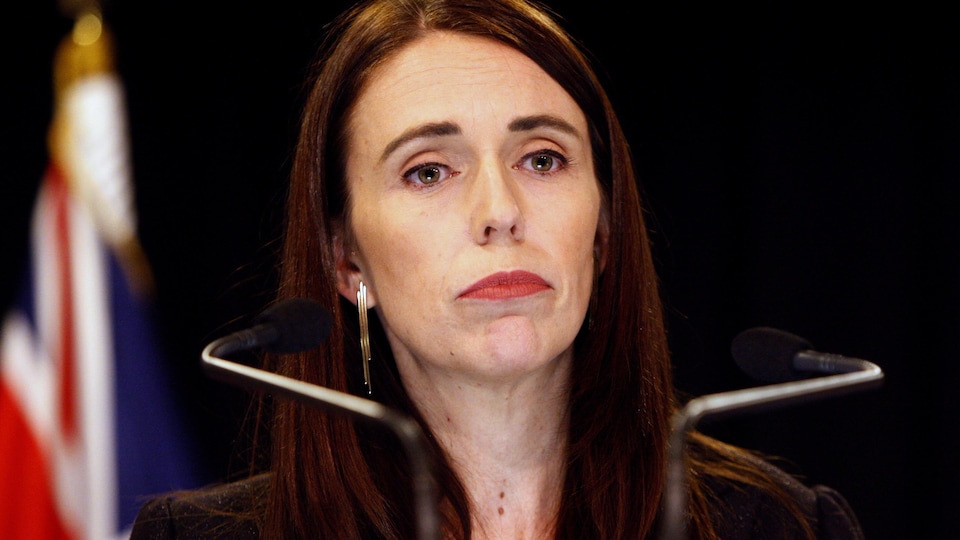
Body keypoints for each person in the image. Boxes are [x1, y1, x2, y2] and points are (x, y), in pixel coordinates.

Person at [130, 0, 866, 538]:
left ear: (604, 231)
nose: (499, 210)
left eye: (541, 158)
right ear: (346, 258)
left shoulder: (787, 527)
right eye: (428, 171)